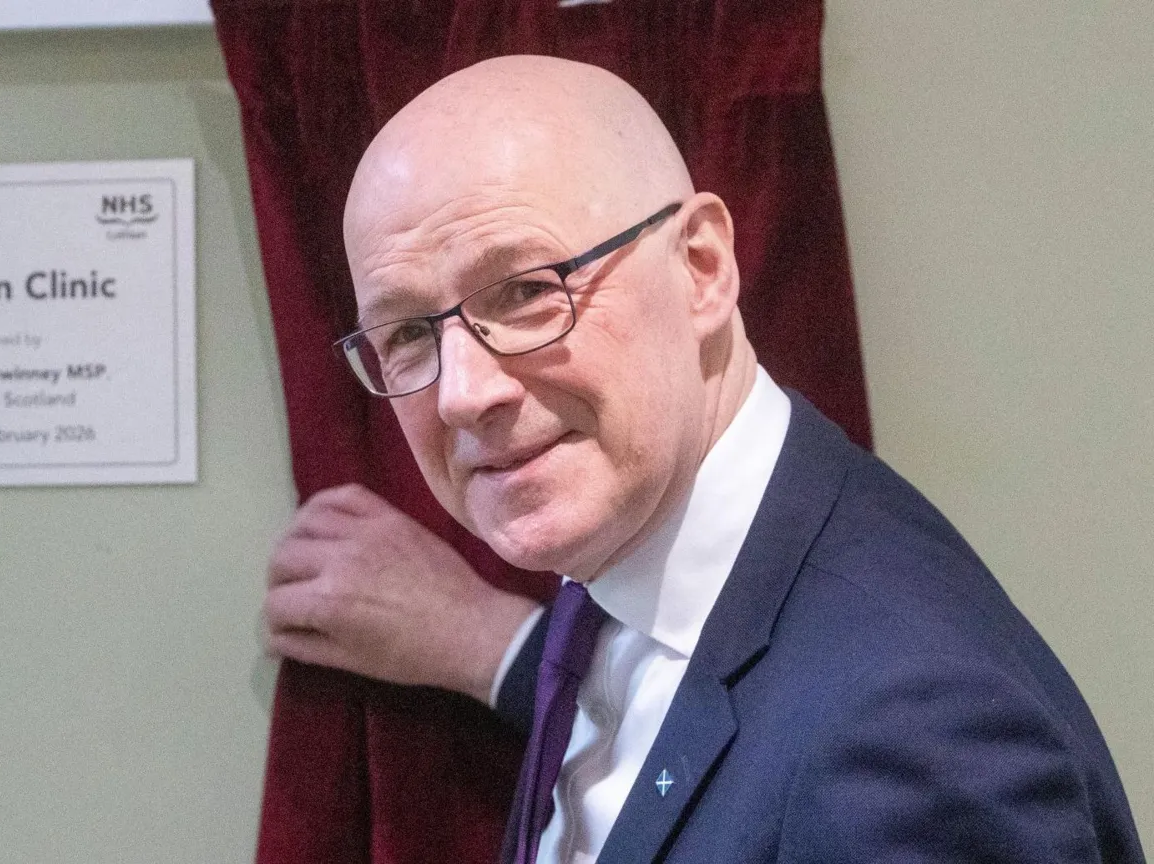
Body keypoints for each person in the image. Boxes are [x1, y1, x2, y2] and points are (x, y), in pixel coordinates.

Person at [263, 55, 1144, 863]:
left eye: (529, 292)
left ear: (702, 268)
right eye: (410, 333)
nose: (462, 393)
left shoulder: (916, 734)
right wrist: (484, 646)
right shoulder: (636, 548)